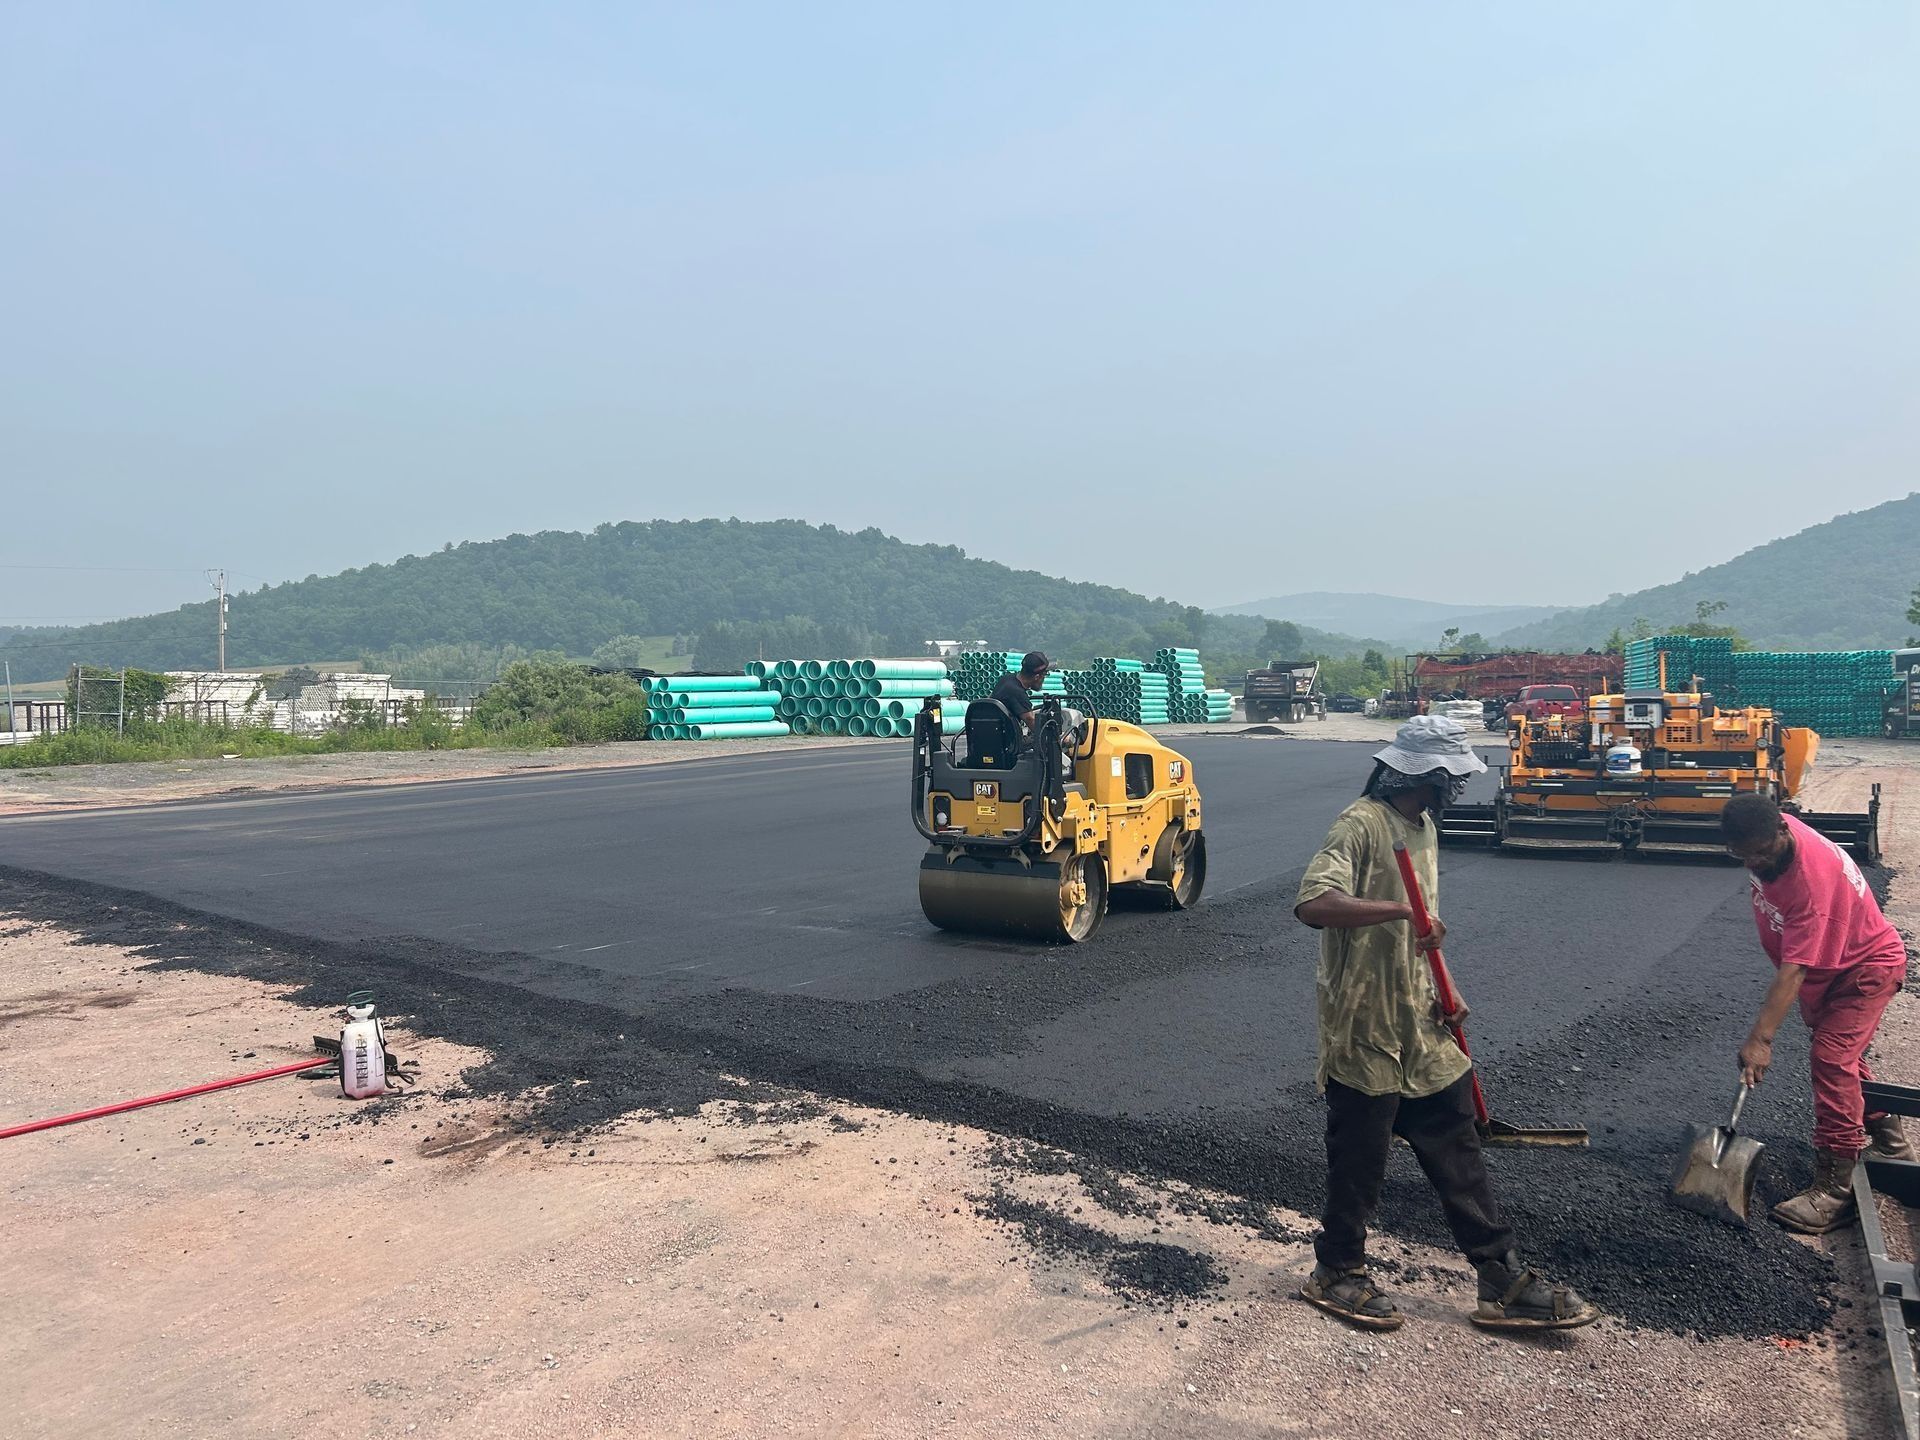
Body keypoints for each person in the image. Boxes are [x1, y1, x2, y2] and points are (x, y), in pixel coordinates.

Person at [1292, 716, 1598, 1333]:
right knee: (1360, 1155)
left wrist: (1445, 990)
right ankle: (1337, 1269)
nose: (1455, 788)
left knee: (1457, 1144)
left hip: (1420, 1019)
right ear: (1425, 775)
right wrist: (1399, 908)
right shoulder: (1361, 825)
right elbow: (1313, 904)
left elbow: (1425, 931)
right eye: (1450, 777)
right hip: (1365, 1020)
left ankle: (1501, 1277)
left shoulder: (1425, 829)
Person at [1722, 792, 1913, 1233]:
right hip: (1835, 969)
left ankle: (1834, 1187)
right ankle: (1891, 1144)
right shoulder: (1770, 830)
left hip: (1865, 970)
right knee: (1844, 1062)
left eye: (1763, 852)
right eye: (1744, 855)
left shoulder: (1810, 884)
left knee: (1831, 1060)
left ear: (1783, 832)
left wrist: (1761, 1038)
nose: (1755, 862)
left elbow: (1794, 972)